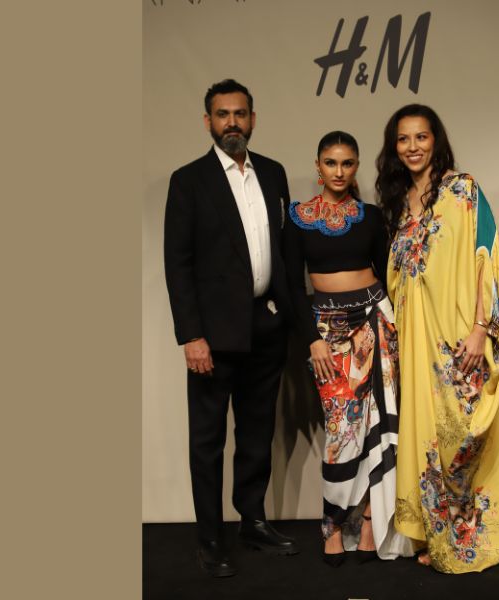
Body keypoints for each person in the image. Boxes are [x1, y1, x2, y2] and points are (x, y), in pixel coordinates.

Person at [164, 79, 298, 578]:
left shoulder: (273, 173)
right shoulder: (189, 181)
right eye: (222, 115)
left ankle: (252, 521)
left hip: (266, 327)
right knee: (208, 442)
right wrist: (190, 336)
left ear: (253, 119)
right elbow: (178, 264)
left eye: (240, 113)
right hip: (212, 337)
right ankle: (209, 537)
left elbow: (283, 252)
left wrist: (287, 316)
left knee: (257, 433)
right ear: (208, 122)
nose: (232, 123)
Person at [376, 104, 499, 574]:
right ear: (394, 147)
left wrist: (480, 330)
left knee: (458, 439)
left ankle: (465, 539)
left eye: (421, 137)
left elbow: (487, 257)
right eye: (403, 139)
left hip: (456, 341)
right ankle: (433, 537)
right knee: (424, 439)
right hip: (415, 341)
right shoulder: (400, 203)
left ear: (436, 140)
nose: (413, 147)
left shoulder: (464, 191)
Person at [283, 131, 413, 567]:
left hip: (377, 320)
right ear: (318, 166)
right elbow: (291, 286)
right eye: (331, 162)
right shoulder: (298, 218)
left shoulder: (370, 216)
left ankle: (373, 520)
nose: (339, 171)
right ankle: (334, 525)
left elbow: (388, 272)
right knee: (341, 429)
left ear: (356, 167)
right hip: (328, 329)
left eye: (347, 163)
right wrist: (312, 339)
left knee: (382, 422)